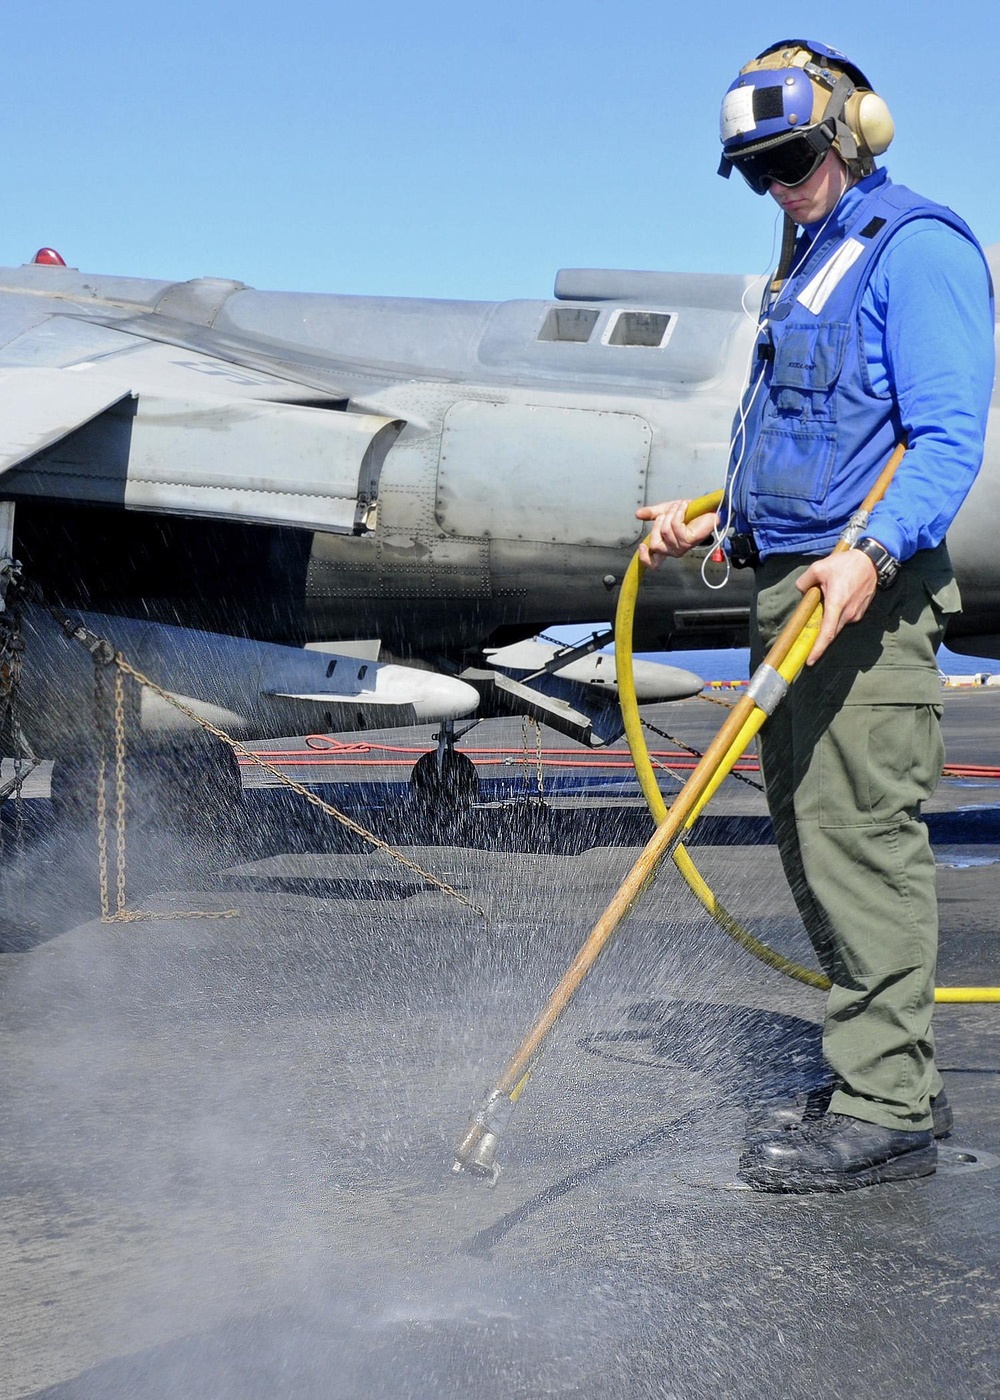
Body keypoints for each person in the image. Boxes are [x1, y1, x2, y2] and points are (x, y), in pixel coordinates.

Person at [637, 40, 994, 1192]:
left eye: (792, 157)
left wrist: (870, 553)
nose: (780, 185)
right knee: (806, 834)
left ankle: (885, 1106)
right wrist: (720, 525)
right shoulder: (811, 265)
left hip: (865, 597)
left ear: (851, 131)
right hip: (791, 583)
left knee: (860, 843)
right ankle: (887, 1071)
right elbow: (804, 438)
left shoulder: (915, 248)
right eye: (757, 171)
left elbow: (942, 436)